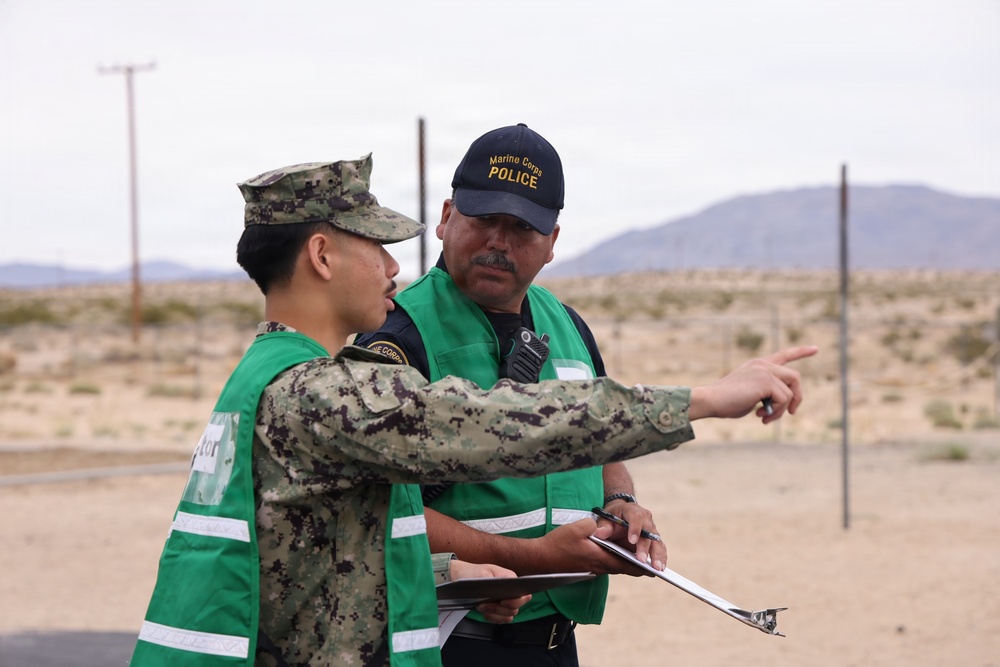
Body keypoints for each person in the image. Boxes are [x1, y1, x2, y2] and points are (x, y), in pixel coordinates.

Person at [130, 153, 815, 667]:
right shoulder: (318, 395)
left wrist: (448, 571)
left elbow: (325, 553)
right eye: (376, 247)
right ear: (322, 254)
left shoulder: (269, 379)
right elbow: (493, 424)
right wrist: (703, 400)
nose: (395, 268)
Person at [355, 124, 791, 667]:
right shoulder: (396, 335)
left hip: (555, 643)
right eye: (484, 218)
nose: (498, 241)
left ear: (553, 242)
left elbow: (603, 441)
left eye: (522, 227)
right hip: (446, 644)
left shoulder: (568, 326)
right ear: (446, 219)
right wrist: (531, 559)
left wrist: (622, 505)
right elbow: (375, 511)